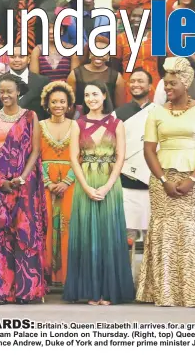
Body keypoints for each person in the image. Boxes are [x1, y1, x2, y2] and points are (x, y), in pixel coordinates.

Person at [137, 57, 195, 308]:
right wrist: (164, 179)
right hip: (162, 179)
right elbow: (148, 151)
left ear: (186, 83)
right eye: (165, 84)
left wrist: (192, 179)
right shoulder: (155, 112)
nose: (167, 88)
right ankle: (163, 293)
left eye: (172, 83)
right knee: (164, 231)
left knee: (191, 232)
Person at [63, 80, 134, 305]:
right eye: (87, 95)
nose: (91, 98)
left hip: (109, 182)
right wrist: (85, 187)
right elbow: (74, 157)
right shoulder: (78, 124)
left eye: (95, 94)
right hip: (86, 181)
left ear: (104, 95)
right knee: (87, 235)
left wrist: (107, 186)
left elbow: (121, 157)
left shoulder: (117, 123)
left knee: (109, 234)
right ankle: (92, 291)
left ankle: (109, 291)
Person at [0, 74, 47, 304]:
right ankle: (0, 290)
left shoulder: (30, 116)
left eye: (9, 91)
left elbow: (36, 151)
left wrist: (22, 177)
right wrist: (0, 181)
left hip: (24, 184)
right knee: (0, 235)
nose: (5, 95)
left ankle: (27, 290)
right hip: (0, 184)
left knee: (24, 234)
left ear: (18, 91)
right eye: (1, 92)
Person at [112, 69, 157, 254]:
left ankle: (152, 281)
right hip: (126, 181)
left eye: (141, 81)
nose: (136, 84)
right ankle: (125, 280)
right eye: (133, 81)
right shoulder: (118, 113)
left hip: (152, 182)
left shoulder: (159, 113)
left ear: (150, 86)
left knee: (152, 238)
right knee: (125, 236)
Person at [40, 81, 77, 286]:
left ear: (69, 104)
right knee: (46, 227)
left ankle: (66, 277)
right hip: (45, 184)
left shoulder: (75, 126)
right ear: (47, 103)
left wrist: (66, 181)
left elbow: (79, 156)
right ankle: (46, 277)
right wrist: (47, 182)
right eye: (54, 101)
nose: (58, 105)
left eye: (62, 101)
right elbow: (35, 156)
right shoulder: (40, 125)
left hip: (70, 183)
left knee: (68, 227)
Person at [0, 44, 50, 119]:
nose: (17, 60)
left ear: (29, 59)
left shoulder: (42, 82)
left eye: (21, 57)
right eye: (13, 57)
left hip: (34, 128)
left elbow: (46, 113)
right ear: (8, 58)